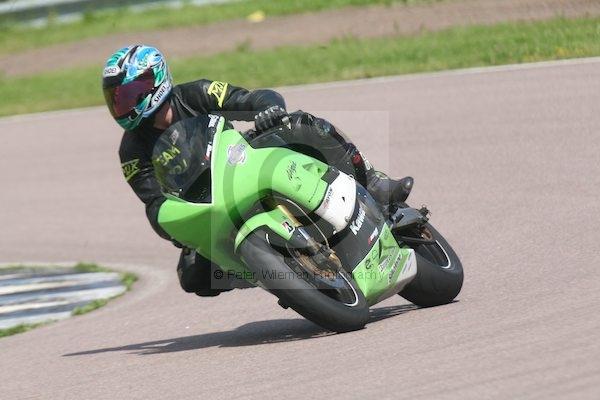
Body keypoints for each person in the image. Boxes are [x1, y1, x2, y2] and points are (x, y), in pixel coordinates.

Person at [102, 44, 413, 297]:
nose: (124, 106)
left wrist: (268, 110)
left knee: (301, 124)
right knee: (193, 275)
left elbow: (251, 98)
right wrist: (180, 231)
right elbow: (154, 203)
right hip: (204, 203)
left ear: (155, 80)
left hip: (240, 160)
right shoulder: (131, 151)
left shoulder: (196, 93)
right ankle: (280, 274)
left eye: (129, 95)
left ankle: (372, 180)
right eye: (116, 99)